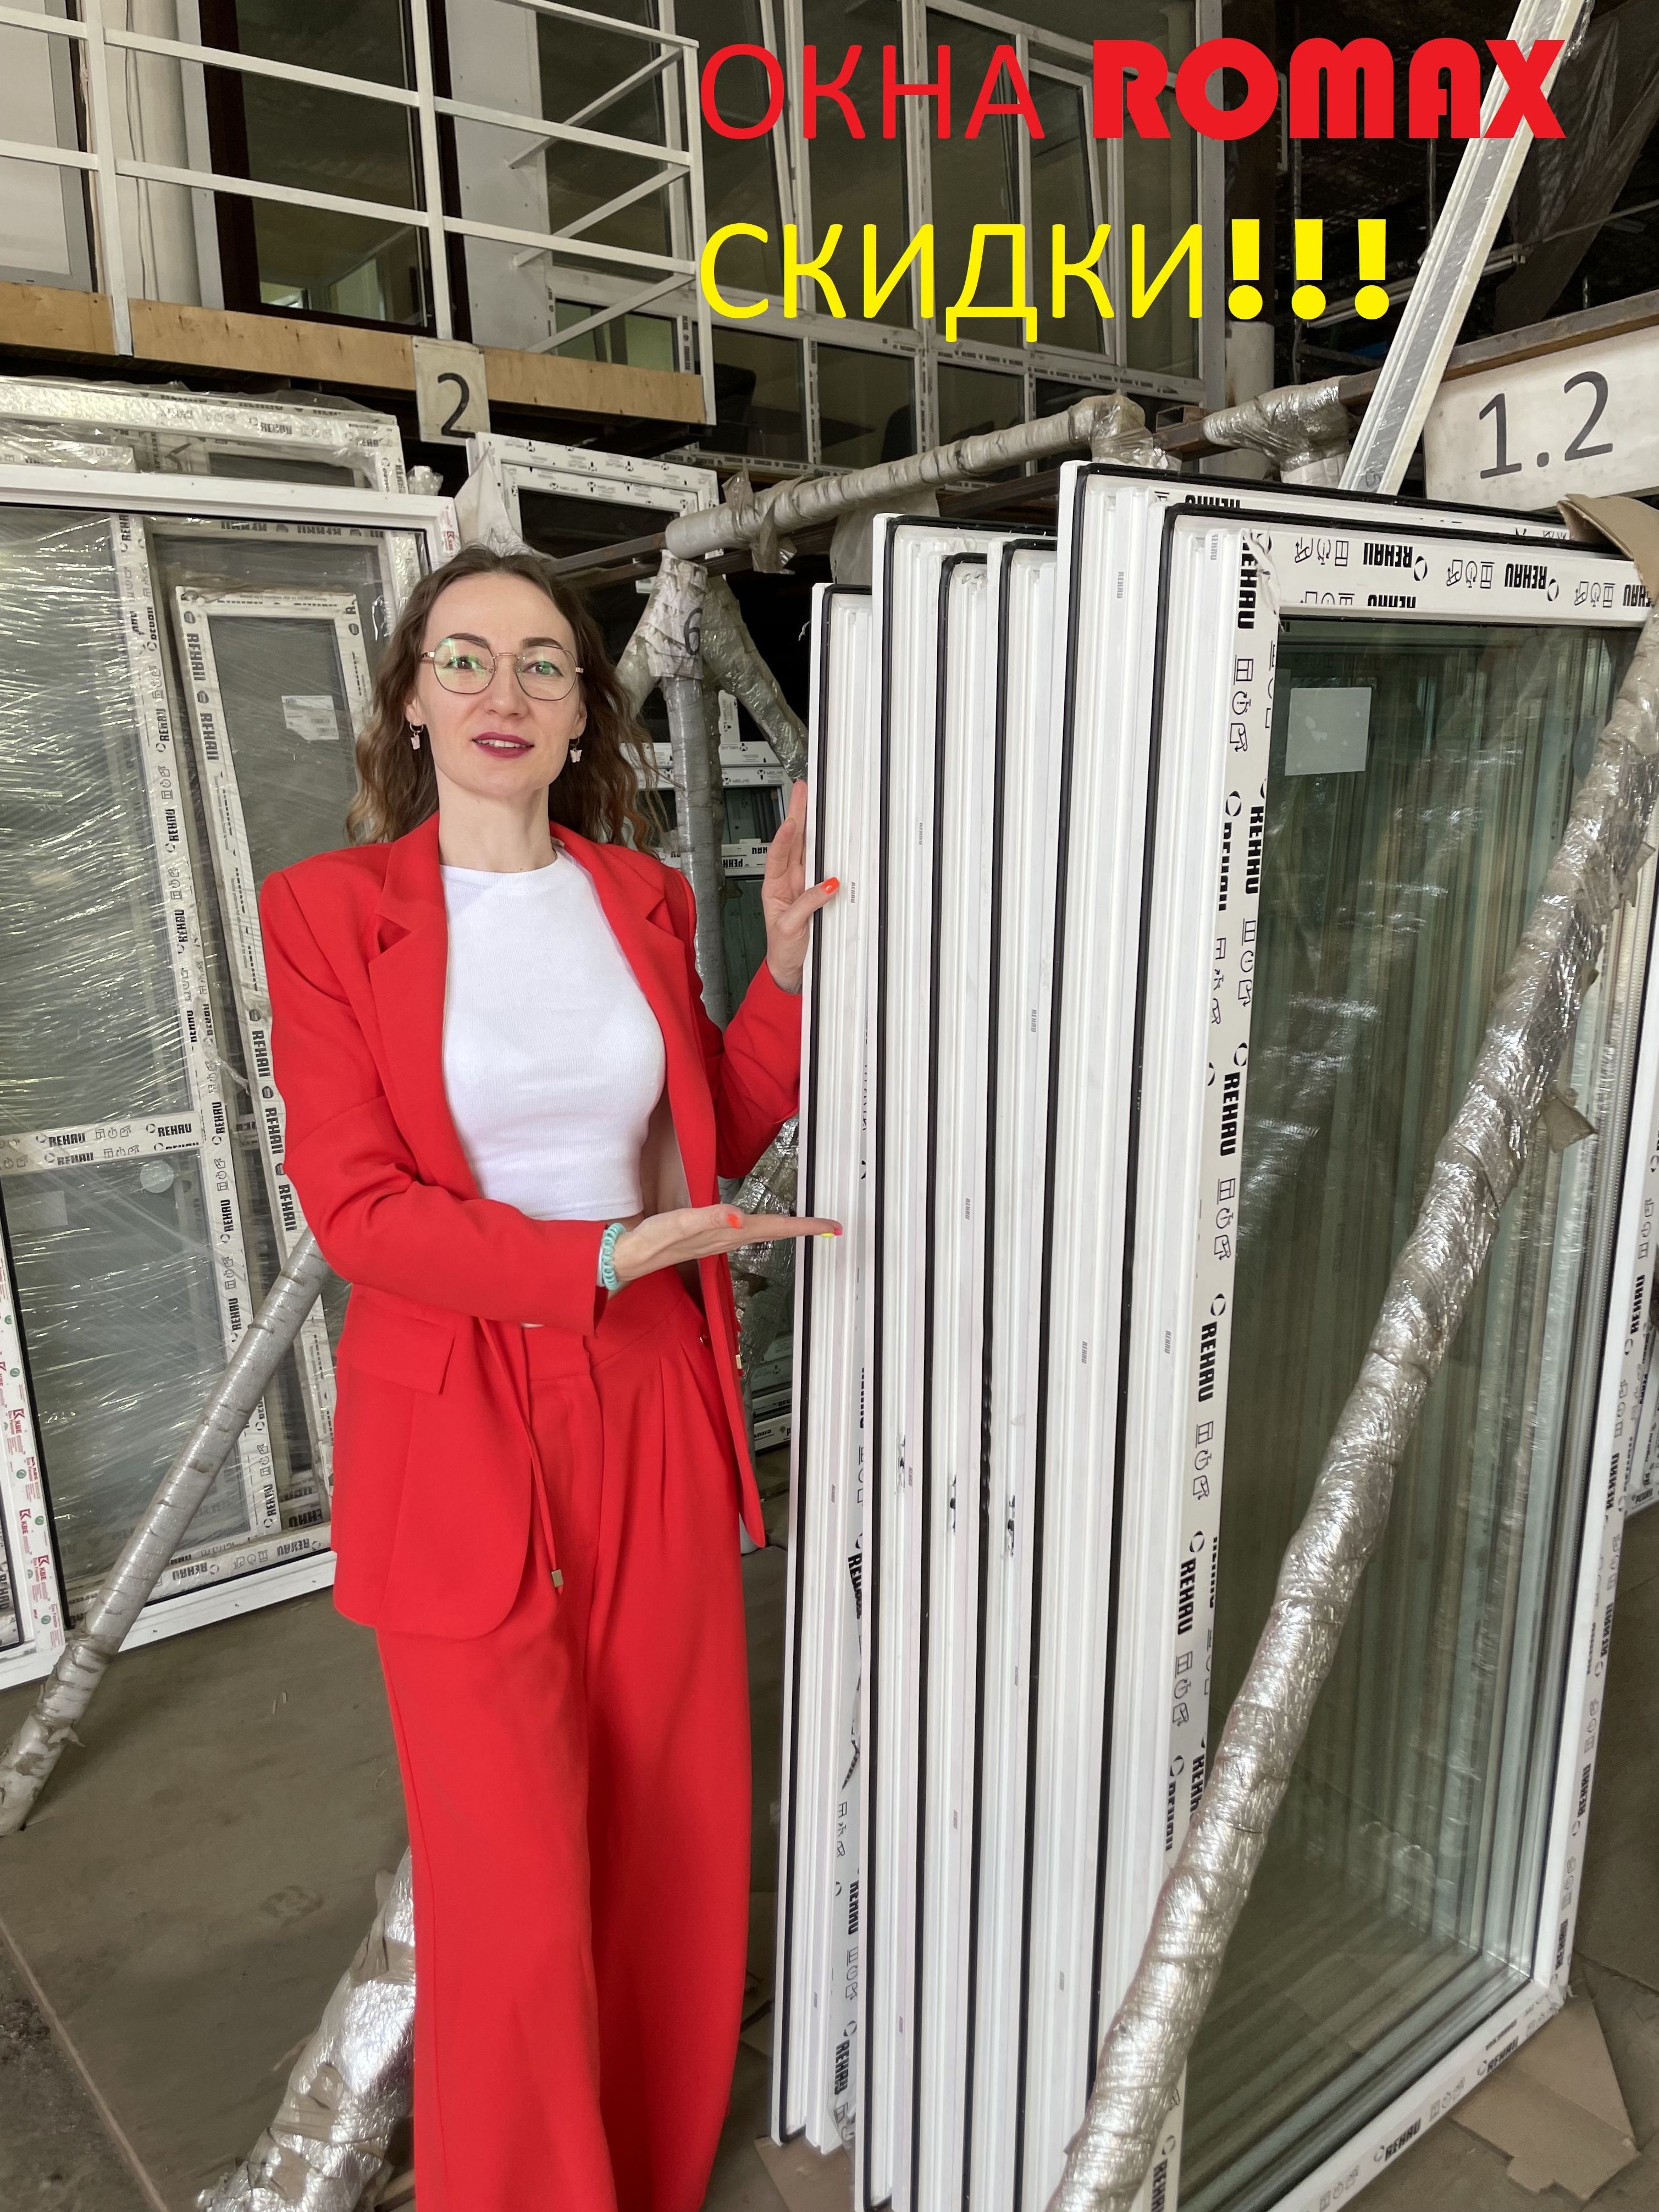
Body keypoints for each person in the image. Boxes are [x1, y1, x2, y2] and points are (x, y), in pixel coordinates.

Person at [259, 542, 838, 2212]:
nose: (502, 692)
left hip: (651, 1384)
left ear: (585, 711)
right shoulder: (329, 915)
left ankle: (646, 2173)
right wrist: (587, 1257)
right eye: (464, 658)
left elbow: (708, 1126)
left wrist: (784, 974)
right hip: (461, 1412)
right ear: (410, 700)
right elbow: (359, 1209)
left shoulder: (640, 898)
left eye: (541, 663)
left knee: (672, 1828)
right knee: (506, 1880)